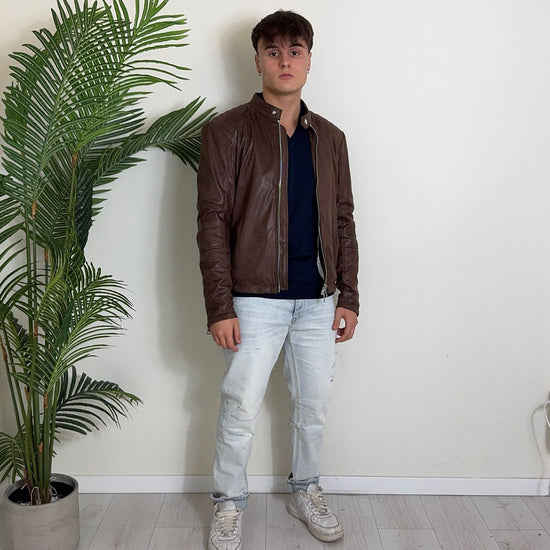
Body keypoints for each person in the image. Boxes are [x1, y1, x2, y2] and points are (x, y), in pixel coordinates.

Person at [196, 10, 359, 549]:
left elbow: (343, 220)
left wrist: (350, 295)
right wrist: (220, 305)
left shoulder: (330, 138)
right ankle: (228, 503)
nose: (284, 61)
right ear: (258, 61)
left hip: (318, 299)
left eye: (295, 51)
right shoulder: (226, 131)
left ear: (309, 59)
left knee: (313, 408)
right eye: (273, 51)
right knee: (239, 407)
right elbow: (212, 221)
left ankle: (306, 490)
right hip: (253, 300)